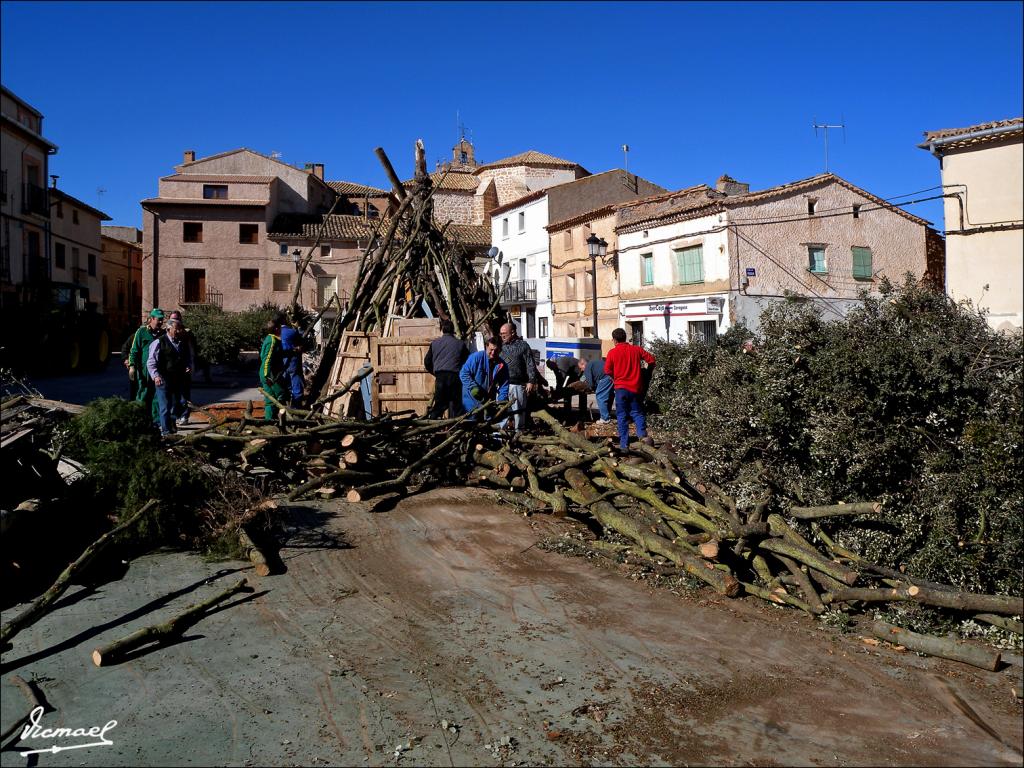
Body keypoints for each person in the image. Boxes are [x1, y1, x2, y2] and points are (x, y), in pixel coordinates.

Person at [603, 327, 656, 454]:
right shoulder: (636, 350)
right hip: (636, 388)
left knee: (622, 416)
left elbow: (607, 371)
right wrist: (646, 373)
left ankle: (624, 445)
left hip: (620, 388)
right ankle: (643, 438)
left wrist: (614, 378)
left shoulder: (612, 353)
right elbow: (652, 360)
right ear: (625, 338)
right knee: (637, 413)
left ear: (614, 340)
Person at [147, 318, 191, 436]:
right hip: (163, 379)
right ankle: (166, 432)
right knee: (165, 407)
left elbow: (186, 358)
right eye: (176, 329)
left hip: (177, 379)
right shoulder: (159, 342)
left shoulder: (180, 342)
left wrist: (187, 366)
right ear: (168, 329)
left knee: (175, 405)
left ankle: (172, 428)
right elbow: (151, 362)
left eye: (180, 329)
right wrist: (155, 376)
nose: (179, 331)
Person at [498, 322, 539, 433]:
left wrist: (531, 381)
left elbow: (530, 364)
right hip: (502, 384)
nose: (502, 336)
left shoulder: (523, 345)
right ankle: (500, 433)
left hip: (518, 384)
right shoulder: (500, 346)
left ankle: (519, 434)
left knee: (519, 411)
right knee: (501, 410)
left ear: (512, 332)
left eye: (504, 333)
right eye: (501, 334)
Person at [424, 319, 469, 418]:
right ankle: (458, 428)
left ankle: (432, 426)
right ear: (453, 330)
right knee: (457, 406)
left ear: (442, 330)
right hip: (455, 378)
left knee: (439, 406)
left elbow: (427, 362)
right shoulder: (460, 344)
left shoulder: (435, 343)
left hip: (440, 378)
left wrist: (435, 372)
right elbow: (467, 361)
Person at [129, 308, 165, 427]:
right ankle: (140, 419)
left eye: (162, 320)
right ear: (151, 319)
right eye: (159, 320)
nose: (160, 322)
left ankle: (155, 421)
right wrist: (132, 366)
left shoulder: (162, 334)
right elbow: (134, 350)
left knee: (156, 396)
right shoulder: (141, 332)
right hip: (143, 370)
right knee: (143, 394)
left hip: (157, 370)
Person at [459, 337, 509, 418]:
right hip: (471, 400)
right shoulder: (476, 357)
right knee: (472, 424)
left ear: (500, 350)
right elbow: (463, 373)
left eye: (496, 351)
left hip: (488, 401)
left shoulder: (501, 365)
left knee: (487, 425)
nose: (493, 353)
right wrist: (473, 387)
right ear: (486, 346)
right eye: (491, 350)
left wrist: (501, 402)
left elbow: (504, 385)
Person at [167, 310, 197, 424]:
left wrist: (190, 365)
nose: (175, 322)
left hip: (184, 369)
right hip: (172, 371)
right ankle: (174, 415)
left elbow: (191, 351)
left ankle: (184, 415)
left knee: (184, 394)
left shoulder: (187, 334)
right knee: (173, 394)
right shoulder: (166, 334)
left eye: (177, 319)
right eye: (173, 320)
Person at [258, 318, 288, 421]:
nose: (281, 329)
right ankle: (269, 422)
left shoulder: (274, 340)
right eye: (280, 327)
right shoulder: (271, 341)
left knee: (280, 395)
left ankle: (276, 419)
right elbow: (266, 359)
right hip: (269, 375)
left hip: (274, 374)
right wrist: (267, 376)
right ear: (276, 329)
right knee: (272, 399)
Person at [275, 311, 305, 407]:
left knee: (285, 386)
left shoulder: (275, 333)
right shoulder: (291, 331)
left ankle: (285, 407)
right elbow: (302, 341)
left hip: (281, 364)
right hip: (293, 363)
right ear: (284, 319)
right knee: (296, 386)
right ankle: (296, 408)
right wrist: (299, 328)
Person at [573, 356, 614, 424]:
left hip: (605, 378)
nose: (582, 370)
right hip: (612, 376)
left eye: (581, 368)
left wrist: (589, 389)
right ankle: (607, 415)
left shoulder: (587, 367)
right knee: (609, 396)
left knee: (600, 397)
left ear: (583, 364)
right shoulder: (594, 362)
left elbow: (590, 383)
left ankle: (605, 418)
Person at [545, 355, 585, 421]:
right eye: (549, 368)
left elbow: (562, 379)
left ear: (553, 363)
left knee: (581, 390)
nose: (551, 369)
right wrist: (557, 391)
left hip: (581, 372)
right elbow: (558, 379)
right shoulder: (555, 367)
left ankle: (582, 413)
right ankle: (567, 411)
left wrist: (557, 393)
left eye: (551, 367)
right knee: (567, 390)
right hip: (573, 374)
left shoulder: (561, 363)